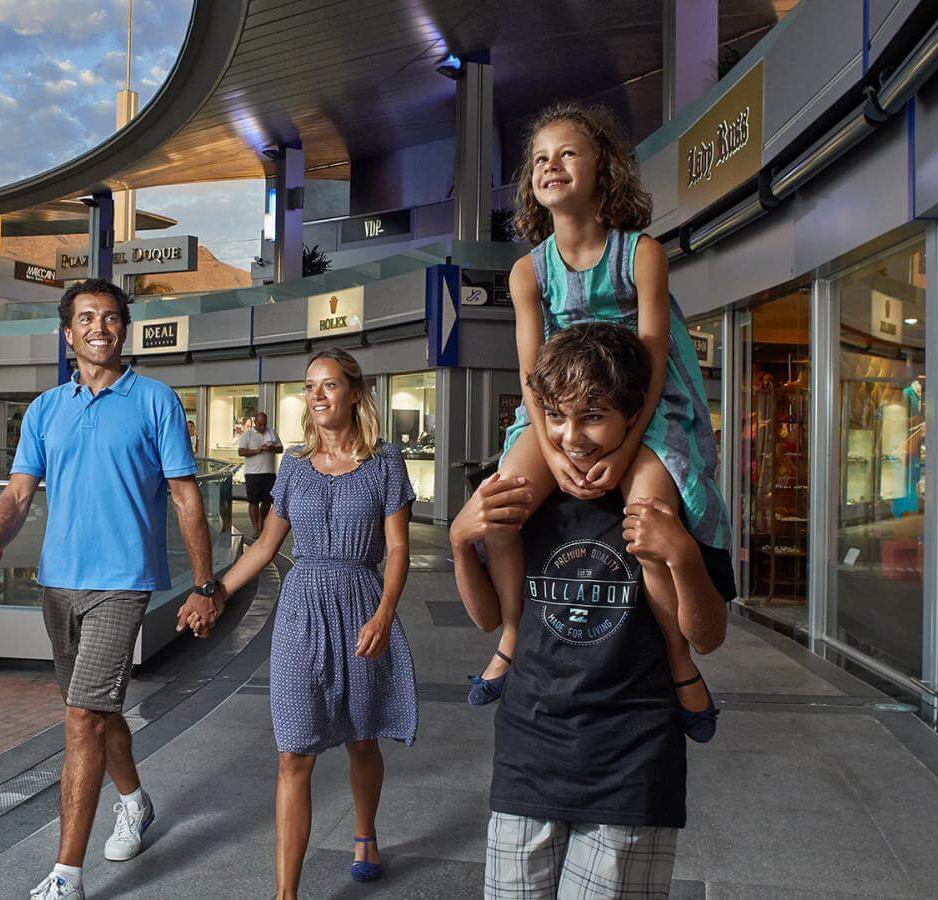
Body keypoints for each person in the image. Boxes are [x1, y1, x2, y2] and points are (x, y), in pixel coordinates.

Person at [464, 101, 732, 744]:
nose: (551, 166)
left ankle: (678, 656)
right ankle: (508, 634)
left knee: (646, 511)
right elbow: (532, 376)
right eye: (539, 159)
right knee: (502, 498)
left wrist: (627, 447)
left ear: (602, 168)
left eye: (567, 154)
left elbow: (655, 357)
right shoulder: (528, 270)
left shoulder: (641, 253)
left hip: (644, 401)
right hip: (558, 405)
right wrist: (554, 457)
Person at [449, 323, 733, 899]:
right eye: (555, 416)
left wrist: (679, 553)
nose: (571, 437)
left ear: (633, 416)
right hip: (527, 760)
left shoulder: (664, 499)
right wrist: (459, 539)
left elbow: (710, 634)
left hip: (632, 768)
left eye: (593, 416)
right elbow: (485, 617)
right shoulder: (526, 502)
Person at [0, 278, 227, 900]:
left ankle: (66, 876)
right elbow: (18, 492)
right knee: (96, 709)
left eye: (110, 318)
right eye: (86, 318)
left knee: (82, 716)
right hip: (57, 584)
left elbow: (186, 496)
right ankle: (134, 801)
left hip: (122, 583)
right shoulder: (45, 409)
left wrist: (205, 585)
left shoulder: (156, 401)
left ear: (124, 330)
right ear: (68, 334)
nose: (99, 328)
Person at [192, 347, 417, 900]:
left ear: (355, 393)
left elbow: (397, 550)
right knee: (294, 750)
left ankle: (364, 834)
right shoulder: (292, 465)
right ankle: (285, 894)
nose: (317, 395)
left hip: (362, 604)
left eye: (329, 385)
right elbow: (267, 545)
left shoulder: (385, 462)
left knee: (363, 739)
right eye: (310, 386)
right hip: (301, 610)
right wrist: (215, 590)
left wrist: (386, 614)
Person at [236, 410, 283, 539]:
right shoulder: (247, 434)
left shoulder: (271, 432)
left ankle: (261, 522)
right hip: (253, 473)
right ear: (255, 422)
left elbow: (281, 448)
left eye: (264, 424)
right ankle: (256, 528)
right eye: (260, 424)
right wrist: (257, 450)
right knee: (253, 501)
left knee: (268, 501)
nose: (262, 427)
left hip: (269, 472)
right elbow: (241, 452)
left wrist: (272, 448)